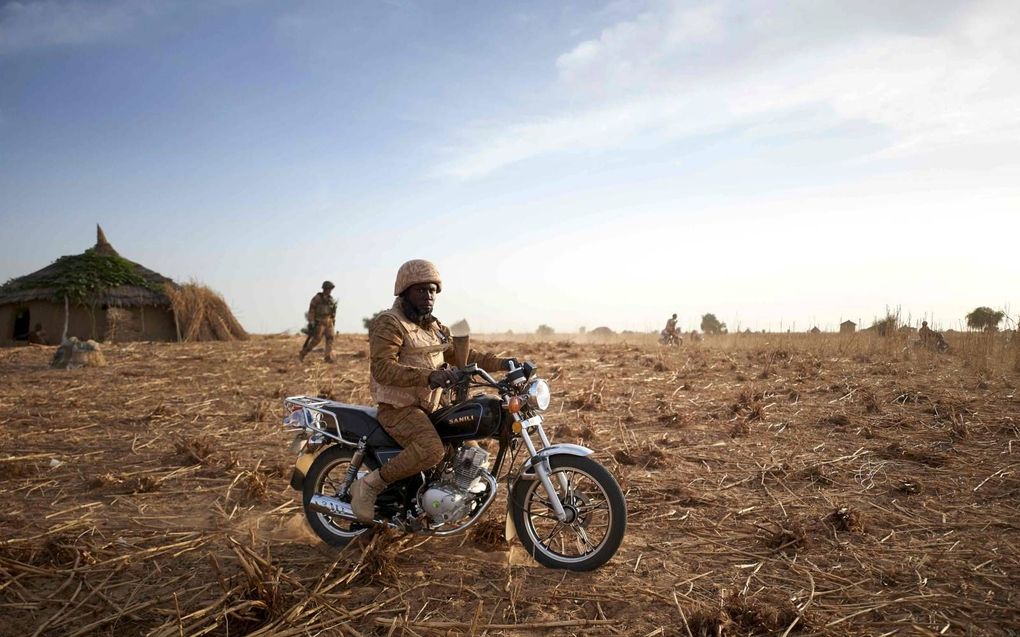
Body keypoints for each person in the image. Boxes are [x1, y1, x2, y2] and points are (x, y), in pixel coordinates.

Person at [349, 259, 514, 522]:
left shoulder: (435, 328)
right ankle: (370, 485)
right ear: (405, 291)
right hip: (399, 409)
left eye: (432, 290)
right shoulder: (390, 323)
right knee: (431, 450)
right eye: (421, 290)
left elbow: (464, 355)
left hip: (432, 407)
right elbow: (382, 368)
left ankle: (439, 504)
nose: (428, 296)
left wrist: (505, 363)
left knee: (472, 455)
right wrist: (431, 376)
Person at [299, 281, 338, 363]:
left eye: (330, 289)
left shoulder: (331, 299)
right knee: (316, 340)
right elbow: (311, 310)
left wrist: (333, 320)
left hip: (329, 321)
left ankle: (327, 357)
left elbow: (333, 311)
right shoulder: (317, 298)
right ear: (325, 289)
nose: (330, 290)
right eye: (328, 289)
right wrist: (311, 321)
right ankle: (303, 353)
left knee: (330, 338)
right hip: (320, 321)